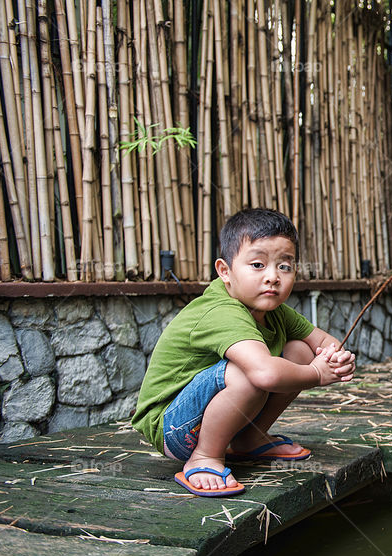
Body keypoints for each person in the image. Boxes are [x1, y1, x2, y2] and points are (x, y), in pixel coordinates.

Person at [131, 208, 356, 497]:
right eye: (258, 265)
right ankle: (205, 457)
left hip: (210, 417)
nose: (273, 277)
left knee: (299, 349)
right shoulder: (221, 311)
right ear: (225, 271)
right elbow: (264, 372)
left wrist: (336, 358)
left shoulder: (276, 312)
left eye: (284, 267)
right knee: (248, 373)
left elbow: (321, 341)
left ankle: (249, 438)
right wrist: (316, 373)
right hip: (173, 427)